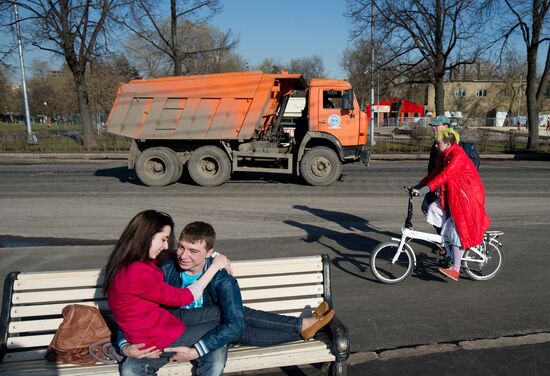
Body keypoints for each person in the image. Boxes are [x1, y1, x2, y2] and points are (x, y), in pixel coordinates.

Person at [120, 221, 335, 375]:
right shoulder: (166, 267)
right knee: (131, 368)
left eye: (193, 251)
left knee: (224, 341)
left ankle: (305, 327)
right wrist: (124, 345)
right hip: (168, 334)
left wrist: (197, 350)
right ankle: (304, 327)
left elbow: (233, 325)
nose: (184, 256)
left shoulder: (222, 279)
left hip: (210, 335)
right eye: (182, 247)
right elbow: (132, 305)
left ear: (208, 252)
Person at [104, 210, 231, 376]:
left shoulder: (138, 261)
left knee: (231, 325)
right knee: (131, 370)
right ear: (146, 236)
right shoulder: (140, 271)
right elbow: (183, 298)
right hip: (163, 335)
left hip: (172, 327)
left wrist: (213, 255)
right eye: (163, 239)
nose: (166, 246)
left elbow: (133, 313)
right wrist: (124, 347)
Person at [410, 128, 491, 281]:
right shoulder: (444, 155)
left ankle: (456, 268)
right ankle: (448, 250)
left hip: (467, 197)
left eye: (438, 143)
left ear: (448, 143)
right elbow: (434, 174)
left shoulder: (458, 155)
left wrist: (426, 189)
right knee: (433, 210)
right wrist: (417, 186)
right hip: (454, 194)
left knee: (456, 229)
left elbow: (445, 175)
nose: (436, 146)